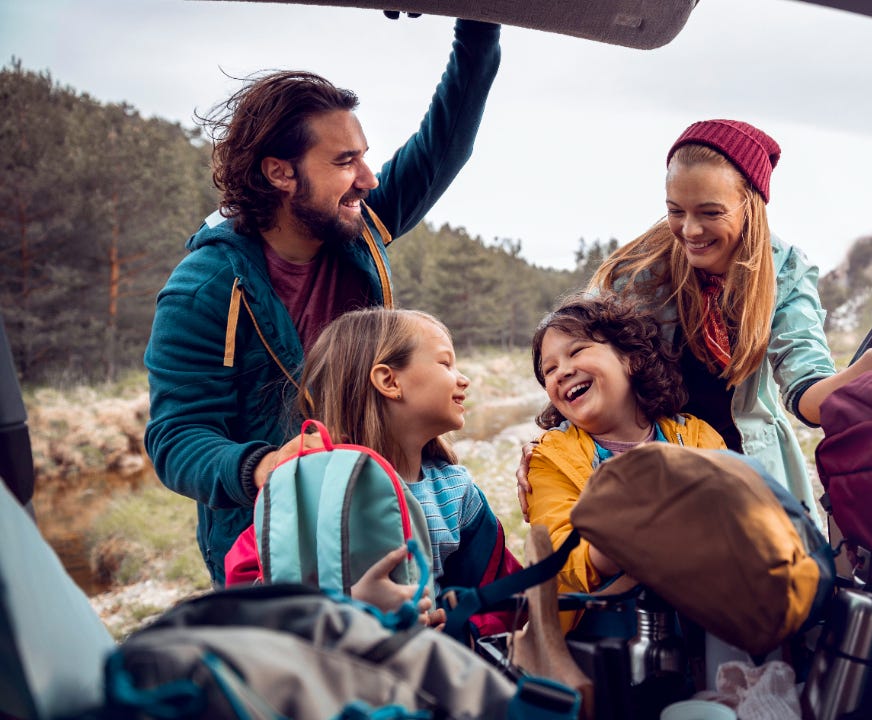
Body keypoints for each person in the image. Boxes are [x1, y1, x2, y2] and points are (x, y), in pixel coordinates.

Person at [144, 18, 502, 584]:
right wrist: (264, 466)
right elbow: (177, 437)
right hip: (273, 543)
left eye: (363, 156)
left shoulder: (358, 226)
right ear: (280, 173)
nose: (367, 178)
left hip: (383, 510)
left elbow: (445, 145)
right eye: (343, 162)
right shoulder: (204, 288)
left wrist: (478, 28)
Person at [518, 119, 872, 527]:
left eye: (710, 212)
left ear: (750, 205)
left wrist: (866, 368)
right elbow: (581, 362)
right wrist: (547, 454)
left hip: (748, 469)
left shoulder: (787, 272)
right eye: (676, 210)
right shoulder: (638, 271)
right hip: (654, 463)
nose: (690, 231)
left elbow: (808, 397)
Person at [224, 308, 521, 631]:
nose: (463, 378)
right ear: (389, 380)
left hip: (431, 670)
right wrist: (347, 606)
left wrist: (460, 624)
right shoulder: (310, 489)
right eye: (445, 363)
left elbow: (505, 595)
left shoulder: (453, 491)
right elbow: (247, 597)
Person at [525, 294, 725, 605]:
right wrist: (620, 537)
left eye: (576, 351)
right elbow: (558, 551)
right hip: (603, 627)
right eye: (549, 370)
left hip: (707, 610)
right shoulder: (549, 459)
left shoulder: (696, 436)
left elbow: (730, 512)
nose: (561, 372)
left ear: (630, 359)